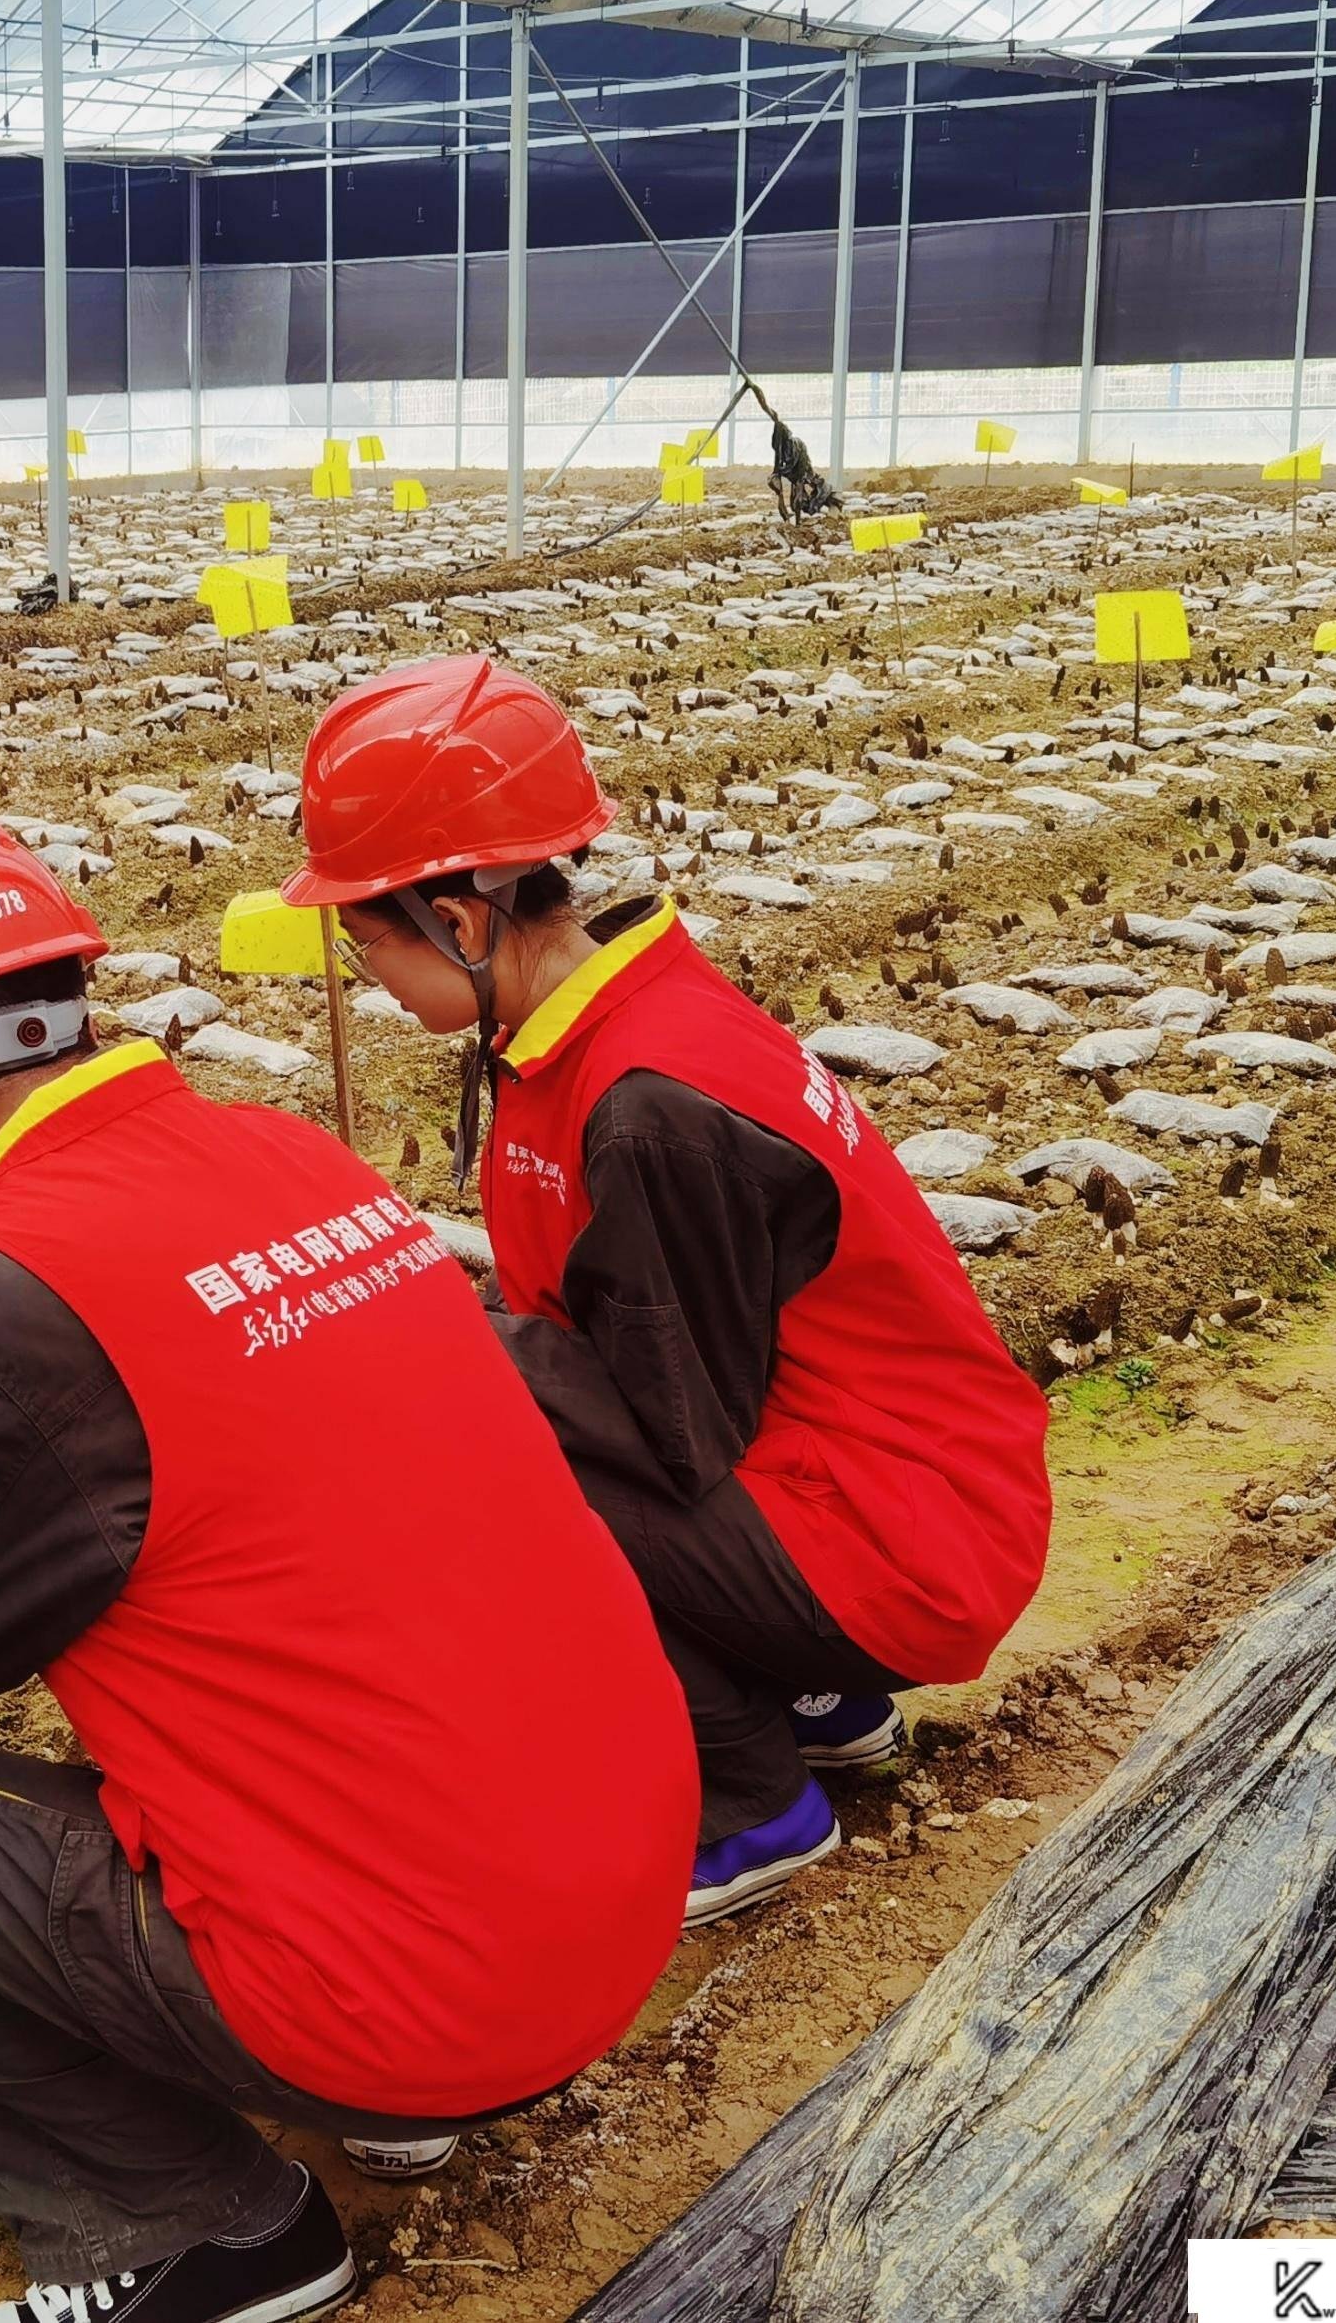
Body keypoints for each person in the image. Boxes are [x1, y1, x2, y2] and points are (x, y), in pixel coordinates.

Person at [0, 807, 694, 2323]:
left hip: (420, 1991)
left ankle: (177, 2226)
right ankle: (388, 2098)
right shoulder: (281, 1152)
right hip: (615, 1905)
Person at [286, 655, 1052, 1924]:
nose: (366, 977)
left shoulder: (651, 1103)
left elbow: (669, 1422)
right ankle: (821, 1703)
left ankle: (748, 1803)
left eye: (365, 943)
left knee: (485, 1474)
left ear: (460, 923)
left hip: (902, 1540)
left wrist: (430, 1335)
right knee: (509, 1408)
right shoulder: (612, 1017)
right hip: (888, 1483)